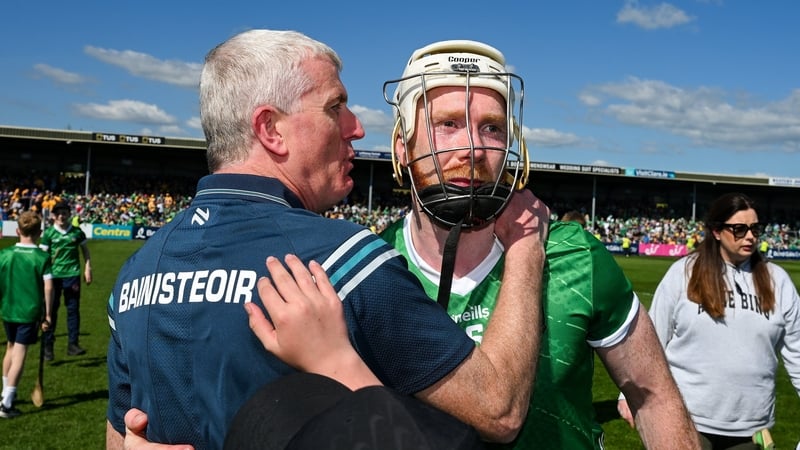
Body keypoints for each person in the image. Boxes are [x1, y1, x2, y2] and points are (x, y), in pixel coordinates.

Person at [239, 39, 699, 449]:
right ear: (402, 146)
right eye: (448, 124)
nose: (474, 148)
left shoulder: (576, 255)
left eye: (492, 127)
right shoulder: (363, 270)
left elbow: (654, 396)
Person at [107, 29, 549, 450]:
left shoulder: (135, 273)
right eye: (335, 107)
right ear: (271, 130)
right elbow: (499, 411)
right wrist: (527, 246)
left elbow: (123, 435)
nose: (355, 127)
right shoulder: (341, 260)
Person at [619, 192, 800, 450]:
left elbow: (798, 351)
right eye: (739, 229)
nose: (750, 236)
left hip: (752, 427)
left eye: (755, 229)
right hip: (686, 420)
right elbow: (652, 337)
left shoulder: (777, 280)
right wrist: (628, 392)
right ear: (716, 231)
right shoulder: (684, 273)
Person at [0, 211, 53, 418]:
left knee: (10, 347)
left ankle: (5, 392)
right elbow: (49, 288)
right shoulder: (42, 257)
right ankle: (7, 403)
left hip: (8, 309)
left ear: (17, 230)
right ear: (39, 232)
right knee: (19, 353)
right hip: (29, 311)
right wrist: (48, 314)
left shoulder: (4, 254)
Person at [39, 200, 91, 359]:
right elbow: (42, 257)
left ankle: (73, 344)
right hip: (53, 277)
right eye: (59, 213)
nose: (62, 216)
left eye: (65, 213)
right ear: (54, 216)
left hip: (72, 275)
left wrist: (88, 268)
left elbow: (85, 251)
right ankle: (48, 346)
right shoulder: (48, 234)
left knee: (73, 310)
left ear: (69, 215)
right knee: (51, 311)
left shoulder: (76, 232)